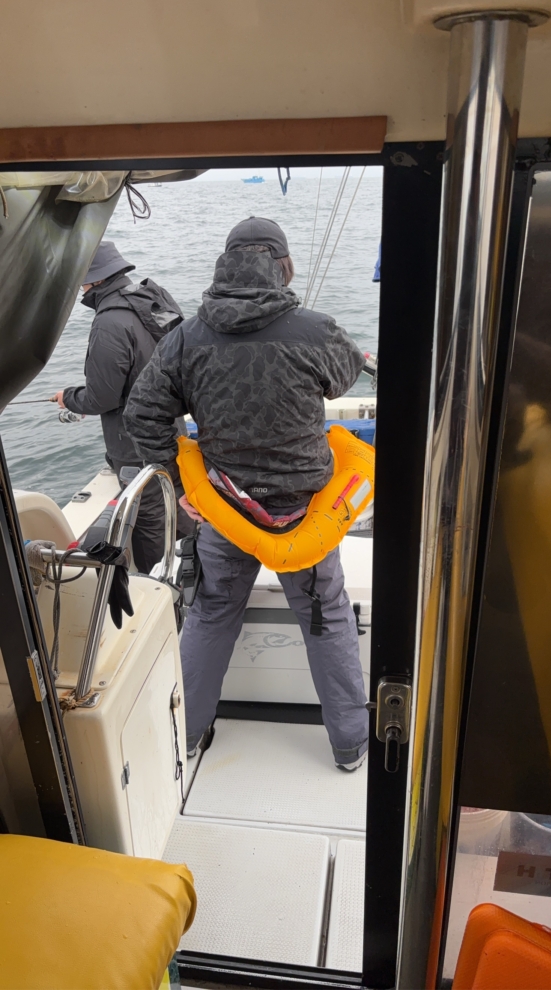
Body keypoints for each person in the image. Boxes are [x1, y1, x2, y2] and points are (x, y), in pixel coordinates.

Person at [124, 217, 370, 770]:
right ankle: (350, 744)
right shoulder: (315, 329)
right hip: (305, 513)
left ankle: (186, 736)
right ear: (283, 267)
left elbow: (142, 414)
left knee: (212, 613)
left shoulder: (185, 338)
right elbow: (345, 376)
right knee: (326, 615)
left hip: (224, 509)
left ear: (225, 265)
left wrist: (177, 481)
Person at [54, 240, 193, 573]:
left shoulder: (109, 322)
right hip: (174, 433)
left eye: (82, 281)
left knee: (149, 522)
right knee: (182, 507)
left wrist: (68, 397)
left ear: (95, 280)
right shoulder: (154, 298)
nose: (80, 288)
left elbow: (101, 397)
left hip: (134, 447)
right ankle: (193, 577)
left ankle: (161, 590)